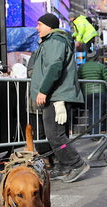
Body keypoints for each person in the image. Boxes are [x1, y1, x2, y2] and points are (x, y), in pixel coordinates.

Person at [29, 13, 89, 183]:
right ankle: (63, 166)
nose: (37, 27)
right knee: (56, 134)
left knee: (55, 135)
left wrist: (44, 91)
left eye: (39, 24)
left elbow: (55, 66)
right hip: (57, 95)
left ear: (49, 26)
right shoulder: (54, 40)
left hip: (56, 95)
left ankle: (76, 164)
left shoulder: (55, 40)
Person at [77, 58, 107, 135]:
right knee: (98, 113)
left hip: (87, 92)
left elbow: (78, 78)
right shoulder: (100, 66)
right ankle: (96, 133)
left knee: (91, 112)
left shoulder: (82, 67)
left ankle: (92, 132)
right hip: (99, 91)